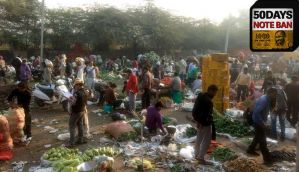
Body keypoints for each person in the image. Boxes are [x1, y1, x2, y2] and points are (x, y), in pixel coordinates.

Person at [247, 88, 277, 165]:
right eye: (274, 94)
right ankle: (267, 159)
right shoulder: (264, 100)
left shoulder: (266, 99)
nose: (275, 96)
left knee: (257, 136)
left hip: (259, 121)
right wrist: (262, 123)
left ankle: (250, 149)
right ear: (270, 93)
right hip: (258, 122)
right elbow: (256, 113)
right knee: (263, 141)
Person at [192, 85, 218, 165]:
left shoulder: (200, 95)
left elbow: (195, 109)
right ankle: (200, 158)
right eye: (214, 92)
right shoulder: (208, 101)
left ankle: (196, 155)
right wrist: (202, 122)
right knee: (206, 141)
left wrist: (197, 121)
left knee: (199, 138)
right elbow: (206, 114)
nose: (215, 94)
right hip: (205, 123)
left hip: (199, 121)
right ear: (211, 91)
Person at [67, 79, 88, 147]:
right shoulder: (85, 91)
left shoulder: (76, 93)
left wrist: (69, 99)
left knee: (72, 126)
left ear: (78, 85)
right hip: (82, 110)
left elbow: (73, 103)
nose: (74, 87)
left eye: (75, 85)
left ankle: (72, 143)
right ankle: (80, 140)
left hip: (76, 111)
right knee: (80, 125)